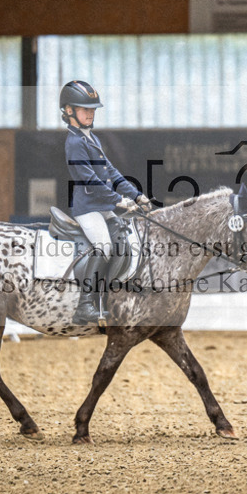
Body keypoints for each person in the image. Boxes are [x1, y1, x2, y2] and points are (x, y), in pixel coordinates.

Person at [60, 80, 151, 325]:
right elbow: (89, 181)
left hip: (102, 207)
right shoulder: (75, 143)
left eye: (92, 110)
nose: (90, 114)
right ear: (69, 111)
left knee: (125, 238)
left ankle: (112, 294)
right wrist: (118, 201)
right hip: (87, 208)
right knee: (105, 246)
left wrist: (136, 195)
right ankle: (85, 305)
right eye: (84, 109)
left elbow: (110, 171)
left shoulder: (91, 138)